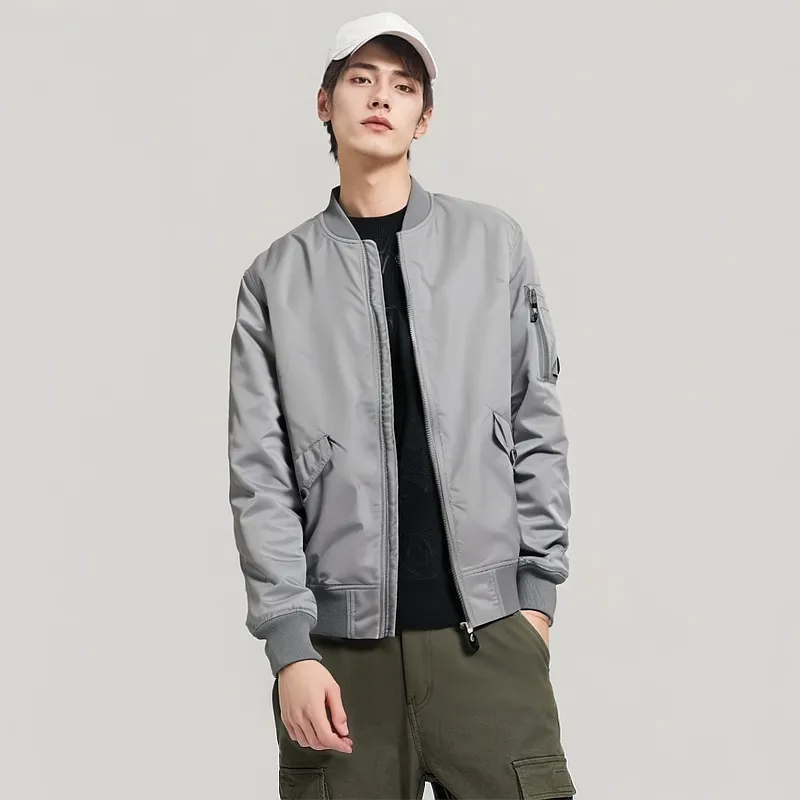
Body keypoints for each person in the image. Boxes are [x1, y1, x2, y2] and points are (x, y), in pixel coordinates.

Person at [227, 11, 576, 799]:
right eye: (361, 79)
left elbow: (536, 424)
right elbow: (260, 476)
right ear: (325, 104)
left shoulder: (494, 246)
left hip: (488, 640)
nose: (382, 97)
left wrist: (535, 604)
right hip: (338, 660)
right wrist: (290, 647)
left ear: (424, 117)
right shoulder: (274, 280)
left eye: (404, 85)